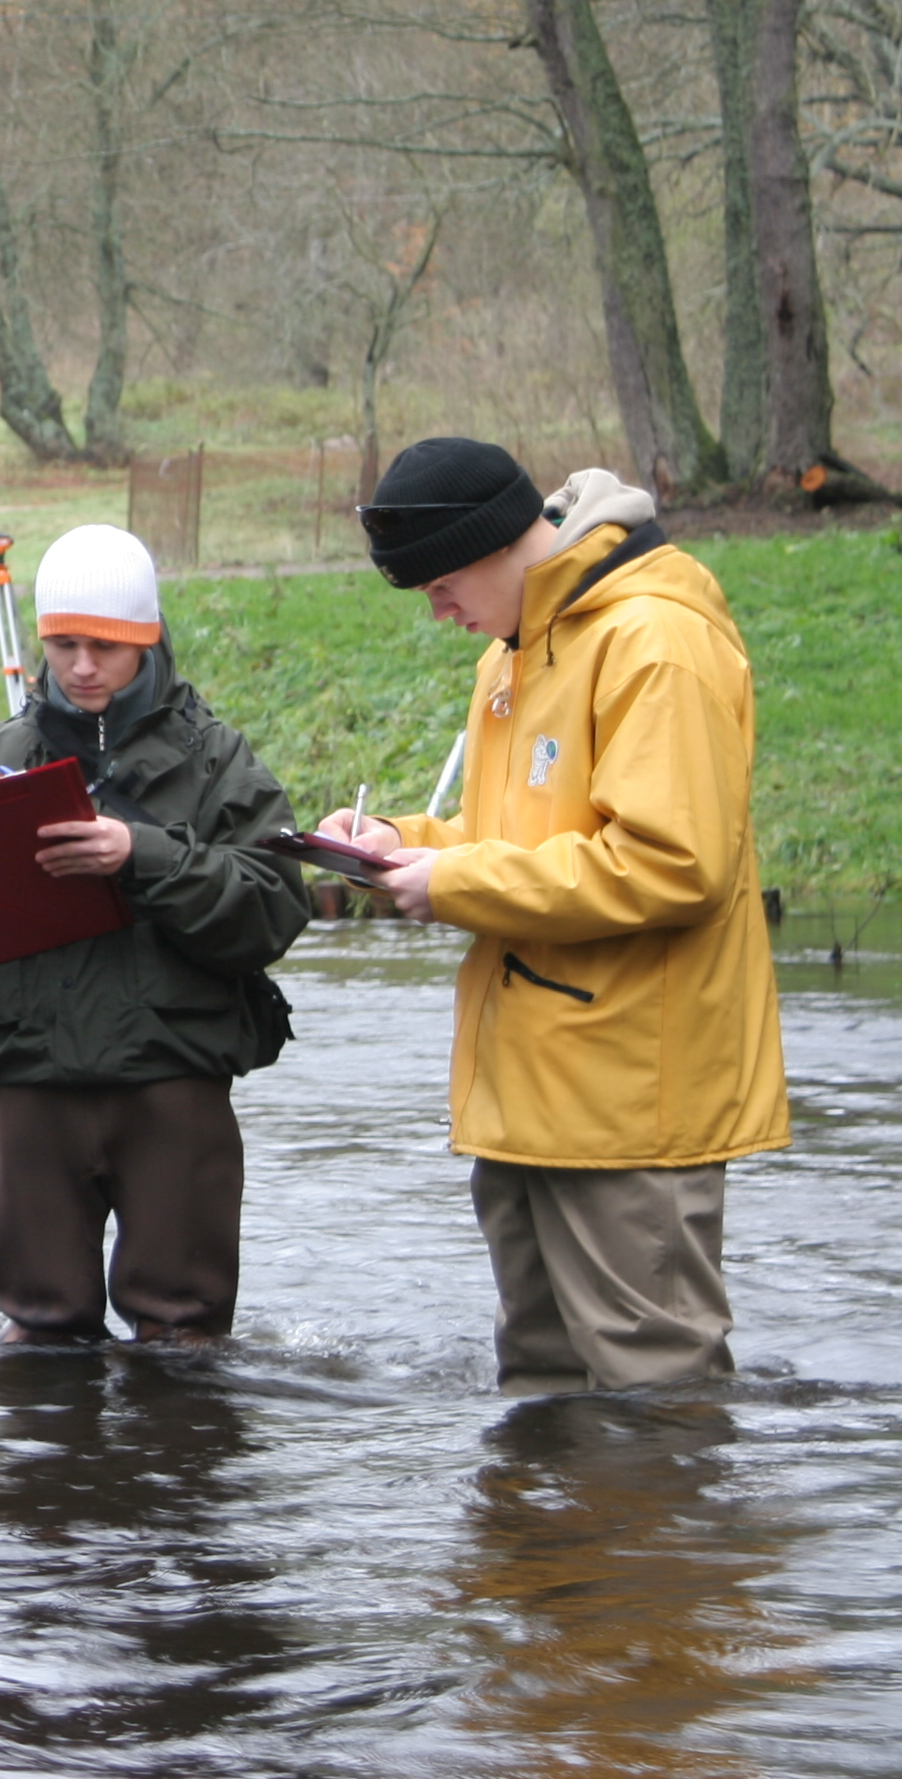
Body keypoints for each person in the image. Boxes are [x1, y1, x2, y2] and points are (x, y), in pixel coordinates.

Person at [327, 443, 787, 1396]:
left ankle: (662, 1554)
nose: (438, 611)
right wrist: (399, 843)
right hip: (529, 1097)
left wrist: (453, 879)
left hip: (629, 1106)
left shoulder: (653, 642)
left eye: (443, 585)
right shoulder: (515, 650)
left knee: (654, 1390)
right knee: (540, 1384)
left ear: (501, 547)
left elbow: (672, 864)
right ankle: (543, 1555)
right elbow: (516, 839)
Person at [0, 524, 310, 1347]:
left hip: (172, 1080)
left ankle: (173, 1474)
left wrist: (140, 854)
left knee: (186, 1338)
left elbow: (272, 908)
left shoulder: (217, 761)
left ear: (147, 642)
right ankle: (49, 1479)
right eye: (65, 645)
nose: (82, 667)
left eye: (106, 647)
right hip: (28, 1084)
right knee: (40, 1335)